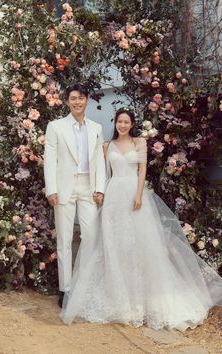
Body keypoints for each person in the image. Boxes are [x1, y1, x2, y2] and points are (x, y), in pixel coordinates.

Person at [60, 108, 222, 331]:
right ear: (115, 123)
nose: (122, 125)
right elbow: (103, 174)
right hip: (114, 196)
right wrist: (100, 194)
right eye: (119, 121)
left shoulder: (140, 143)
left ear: (132, 123)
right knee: (115, 245)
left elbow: (143, 170)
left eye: (126, 122)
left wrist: (138, 194)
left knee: (139, 245)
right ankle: (119, 297)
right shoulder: (107, 146)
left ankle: (142, 298)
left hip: (134, 195)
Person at [44, 83, 106, 308]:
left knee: (90, 236)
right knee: (64, 239)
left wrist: (100, 187)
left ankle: (85, 285)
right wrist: (51, 189)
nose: (77, 102)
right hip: (63, 188)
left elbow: (99, 159)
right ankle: (66, 289)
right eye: (73, 98)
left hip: (88, 185)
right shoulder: (56, 126)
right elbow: (50, 161)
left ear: (87, 100)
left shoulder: (96, 128)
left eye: (81, 98)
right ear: (67, 101)